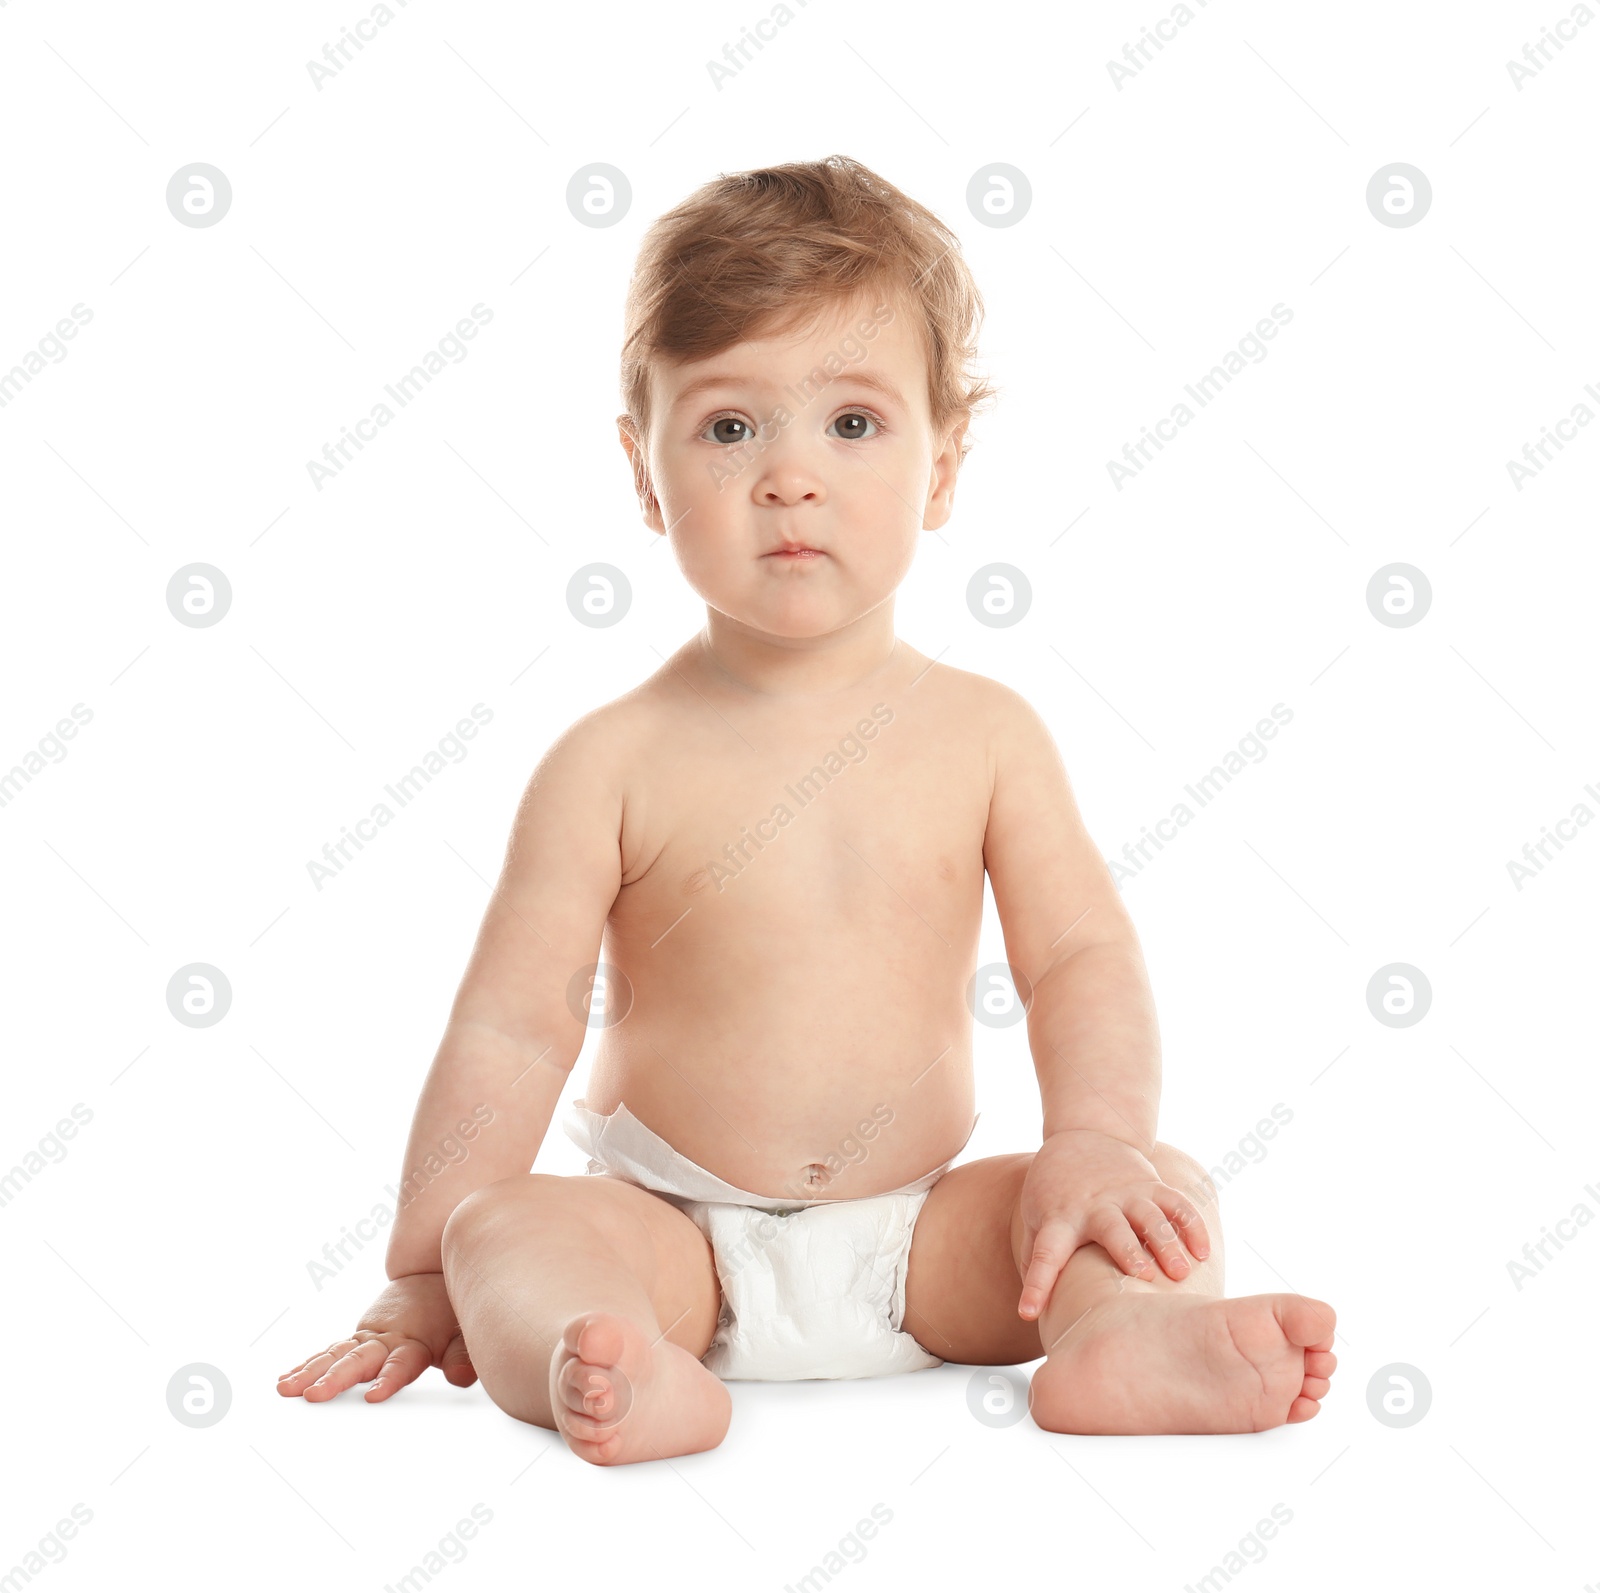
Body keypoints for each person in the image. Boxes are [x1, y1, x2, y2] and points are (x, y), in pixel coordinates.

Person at [277, 154, 1336, 1464]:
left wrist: (1097, 1142)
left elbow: (1079, 960)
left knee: (1157, 1192)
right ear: (645, 473)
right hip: (672, 1241)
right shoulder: (609, 762)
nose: (790, 476)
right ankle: (618, 1371)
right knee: (506, 1234)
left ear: (943, 465)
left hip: (931, 1238)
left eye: (851, 424)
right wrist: (427, 1268)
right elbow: (509, 1023)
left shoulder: (988, 736)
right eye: (730, 428)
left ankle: (1119, 1337)